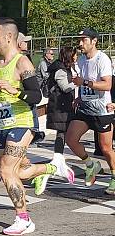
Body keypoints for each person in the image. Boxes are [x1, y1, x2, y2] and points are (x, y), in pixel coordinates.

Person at [0, 18, 74, 235]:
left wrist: (15, 91)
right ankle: (51, 168)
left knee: (5, 168)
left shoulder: (22, 63)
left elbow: (35, 96)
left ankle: (24, 219)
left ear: (9, 37)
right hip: (4, 123)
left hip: (23, 122)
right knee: (17, 172)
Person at [66, 28, 115, 195]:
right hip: (85, 108)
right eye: (79, 40)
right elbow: (81, 83)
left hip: (102, 110)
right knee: (71, 139)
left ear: (94, 41)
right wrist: (80, 97)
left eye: (84, 40)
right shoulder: (80, 60)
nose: (80, 43)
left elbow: (107, 85)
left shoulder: (103, 59)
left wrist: (85, 83)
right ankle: (90, 165)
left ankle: (114, 176)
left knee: (106, 148)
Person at [31, 46, 77, 195]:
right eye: (75, 55)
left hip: (61, 106)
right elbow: (65, 87)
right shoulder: (60, 70)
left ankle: (59, 158)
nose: (77, 57)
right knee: (63, 132)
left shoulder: (62, 67)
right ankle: (57, 159)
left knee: (63, 133)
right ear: (70, 56)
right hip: (60, 106)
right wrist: (79, 83)